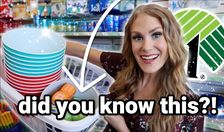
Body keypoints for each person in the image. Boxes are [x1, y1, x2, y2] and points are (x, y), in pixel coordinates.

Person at [66, 4, 204, 132]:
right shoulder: (127, 66)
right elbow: (82, 51)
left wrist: (121, 127)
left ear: (172, 39)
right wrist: (50, 43)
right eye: (137, 37)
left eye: (156, 35)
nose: (146, 47)